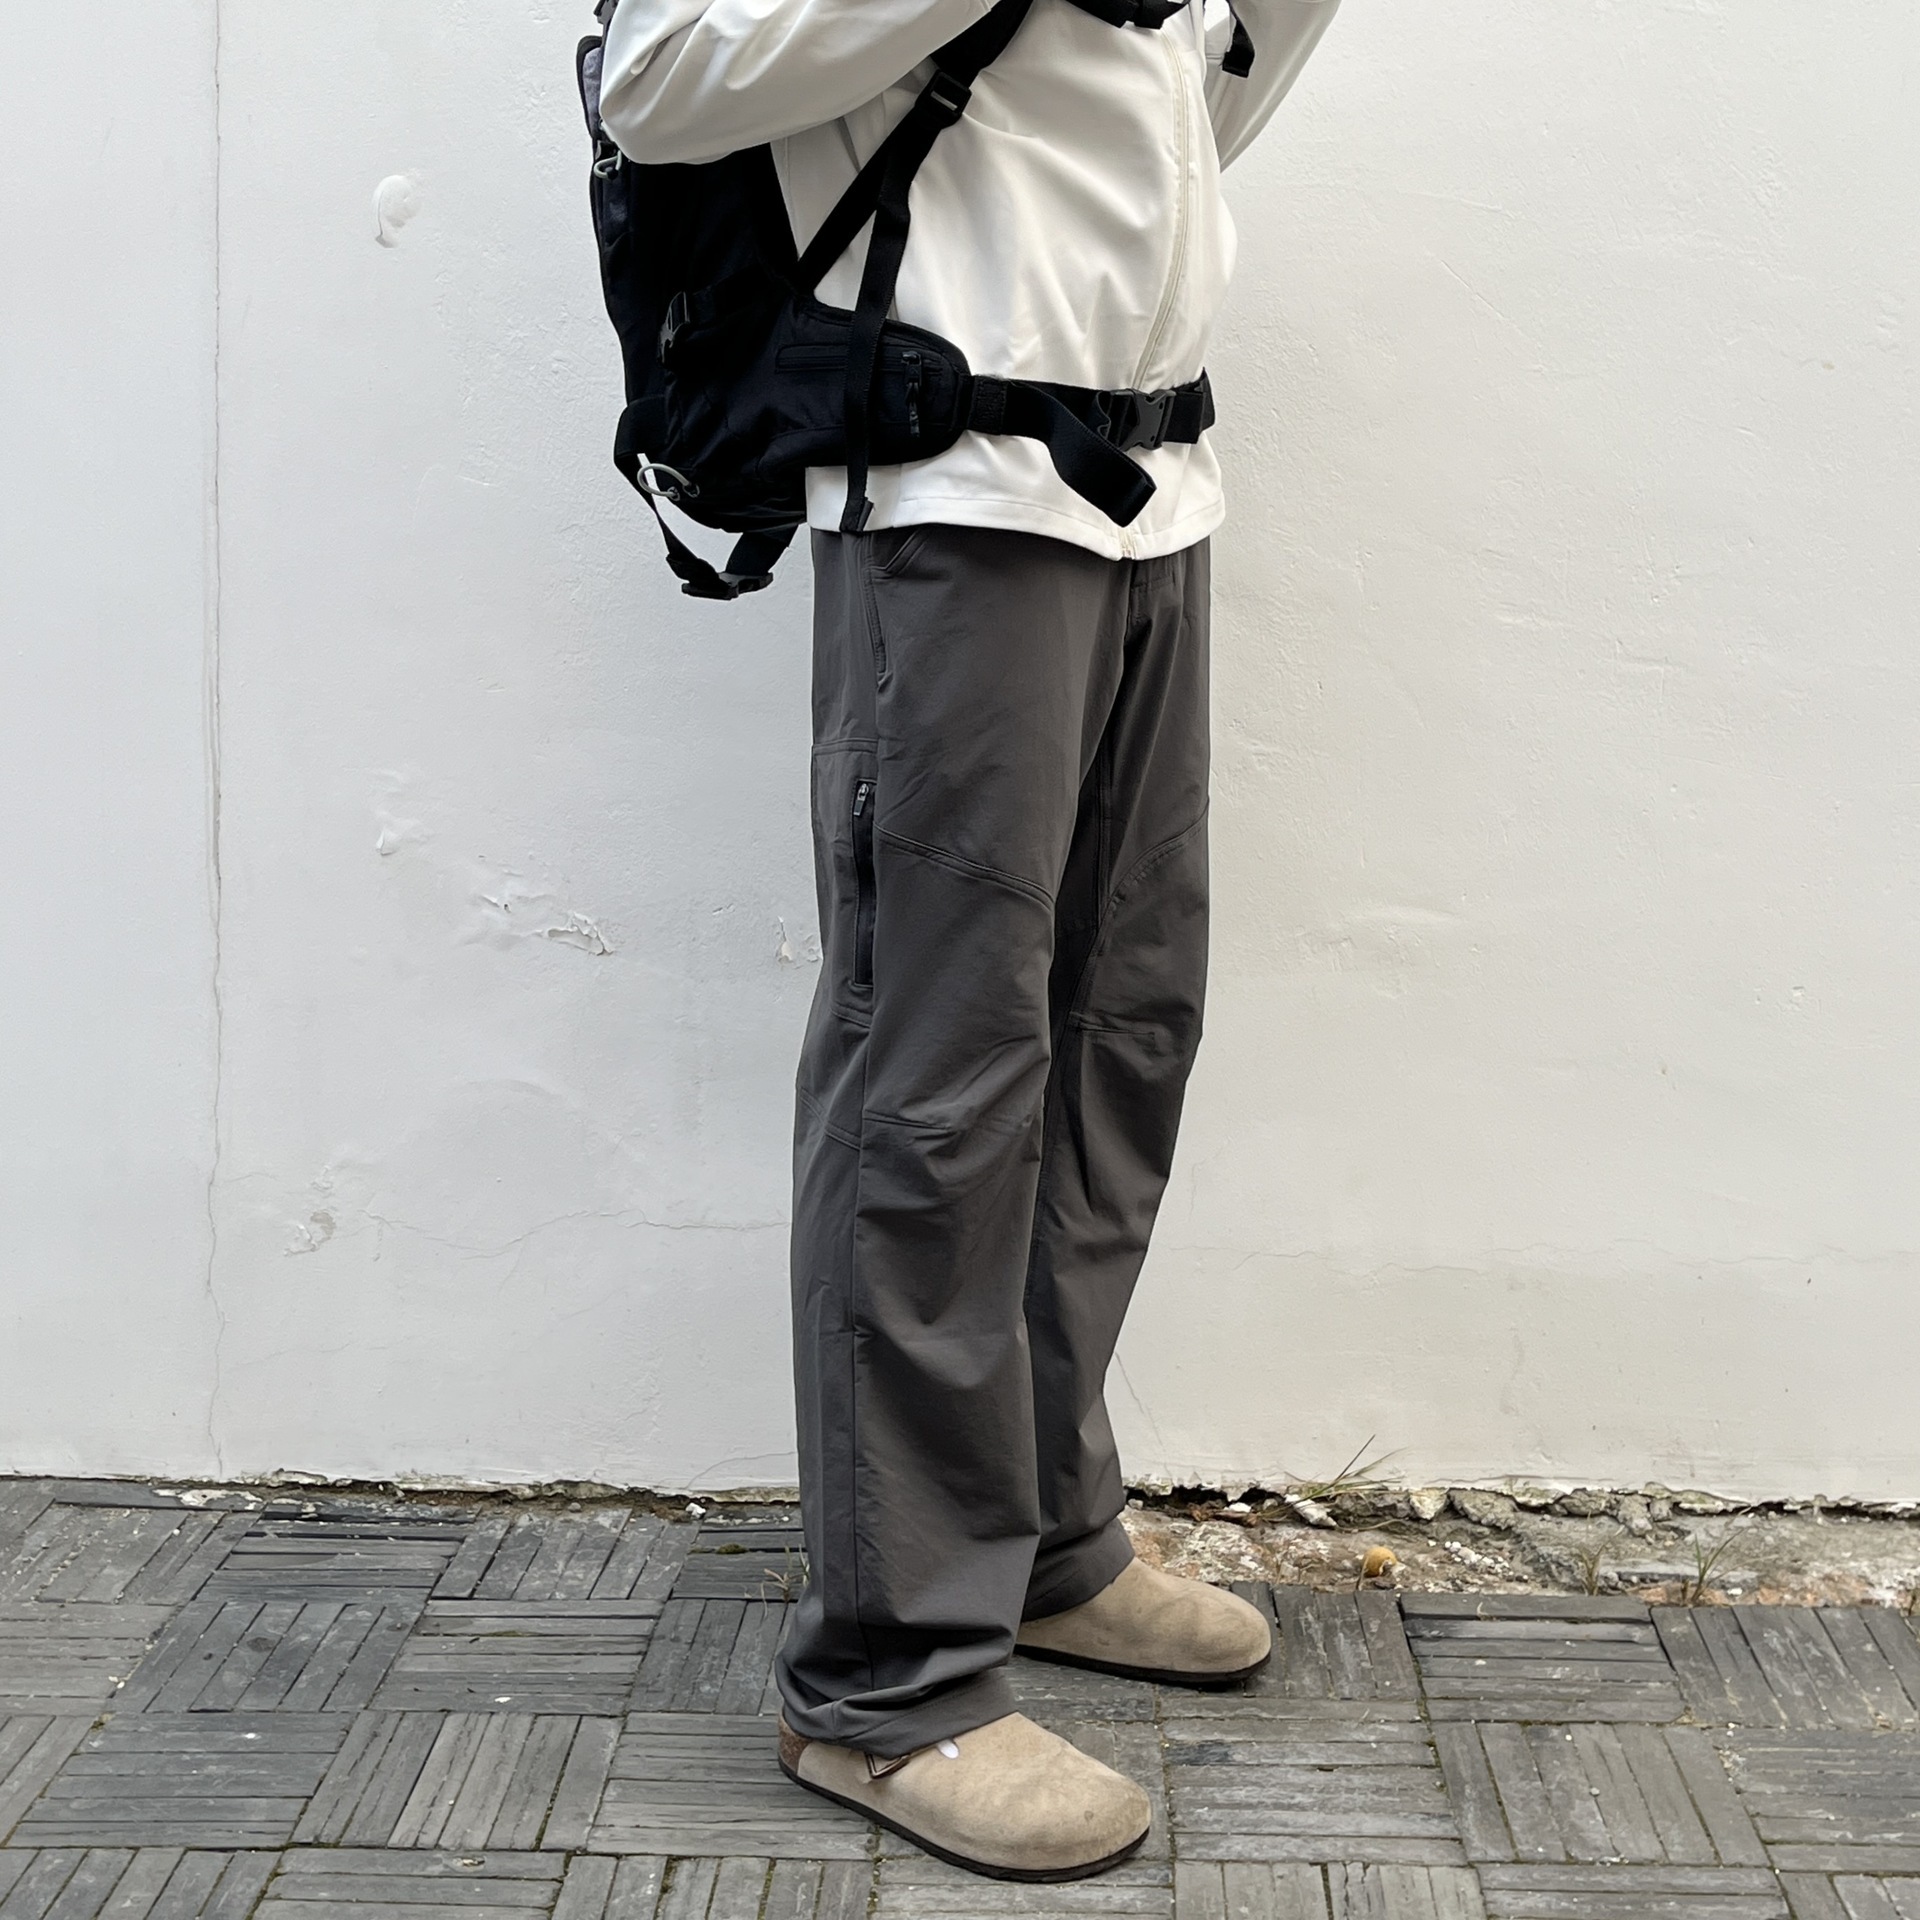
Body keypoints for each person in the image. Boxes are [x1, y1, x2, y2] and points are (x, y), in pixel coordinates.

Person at [598, 0, 1342, 1881]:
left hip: (1150, 492)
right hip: (952, 502)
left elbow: (1179, 146)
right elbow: (661, 86)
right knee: (934, 1082)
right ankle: (890, 1678)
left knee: (1120, 1035)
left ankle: (1042, 1538)